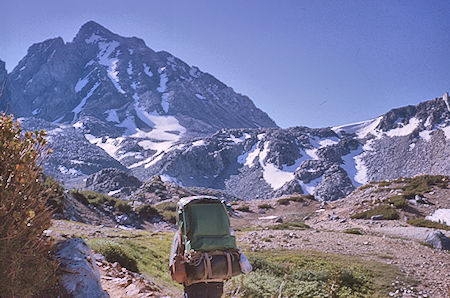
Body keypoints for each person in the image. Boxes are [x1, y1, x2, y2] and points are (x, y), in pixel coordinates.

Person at [169, 230, 224, 298]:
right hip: (217, 281)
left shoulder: (182, 232)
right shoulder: (217, 231)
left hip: (194, 284)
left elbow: (174, 263)